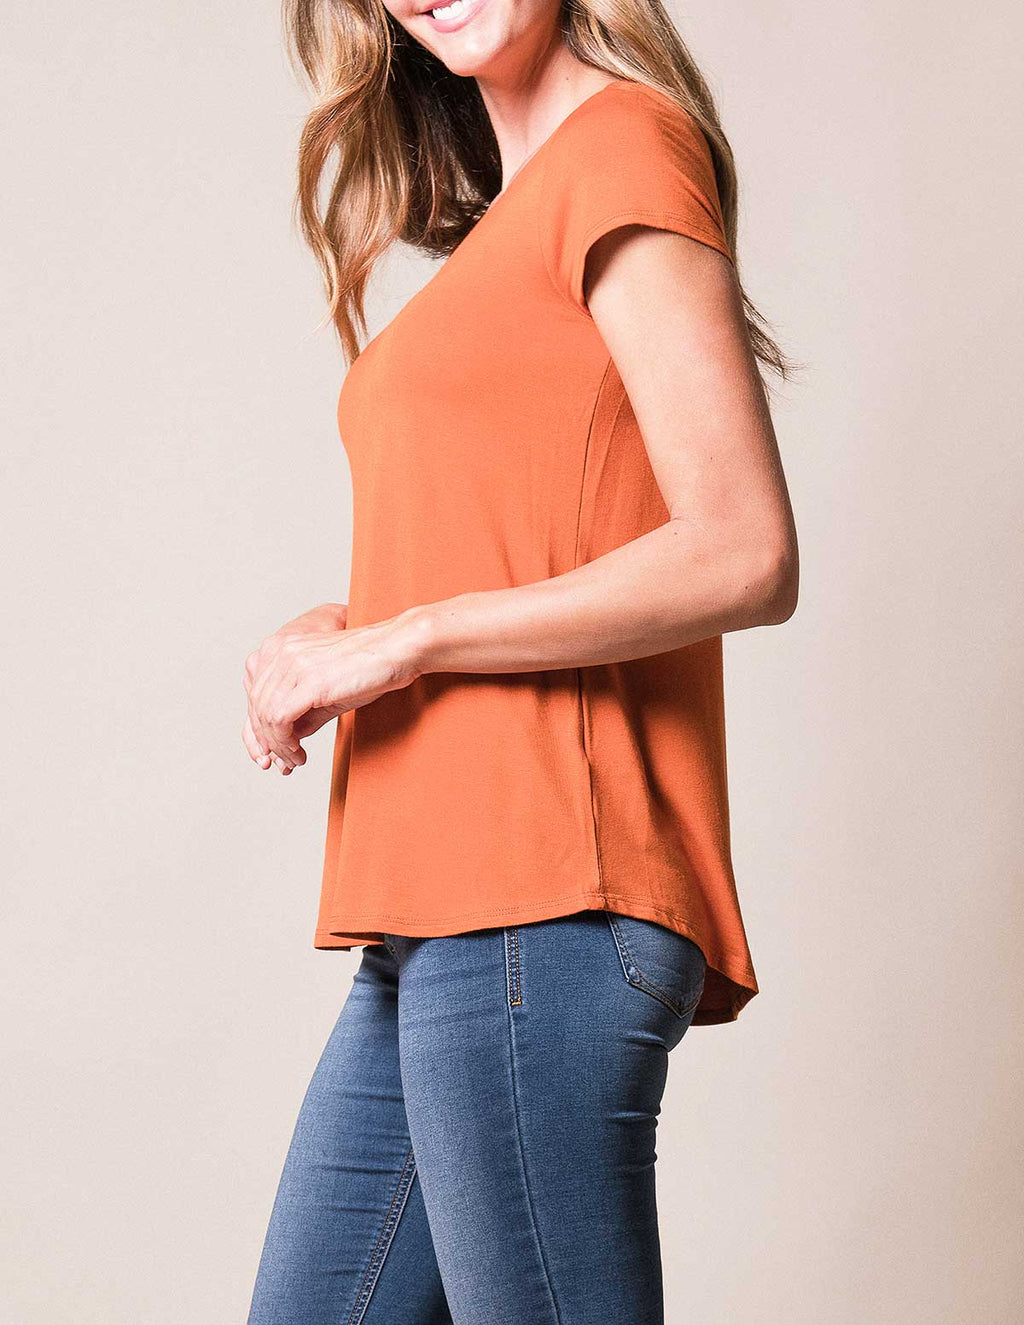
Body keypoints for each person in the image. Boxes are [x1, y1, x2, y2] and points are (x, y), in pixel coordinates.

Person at [242, 0, 798, 1319]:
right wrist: (355, 622)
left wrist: (409, 639)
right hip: (436, 909)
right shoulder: (517, 217)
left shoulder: (625, 147)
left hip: (542, 892)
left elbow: (742, 548)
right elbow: (548, 531)